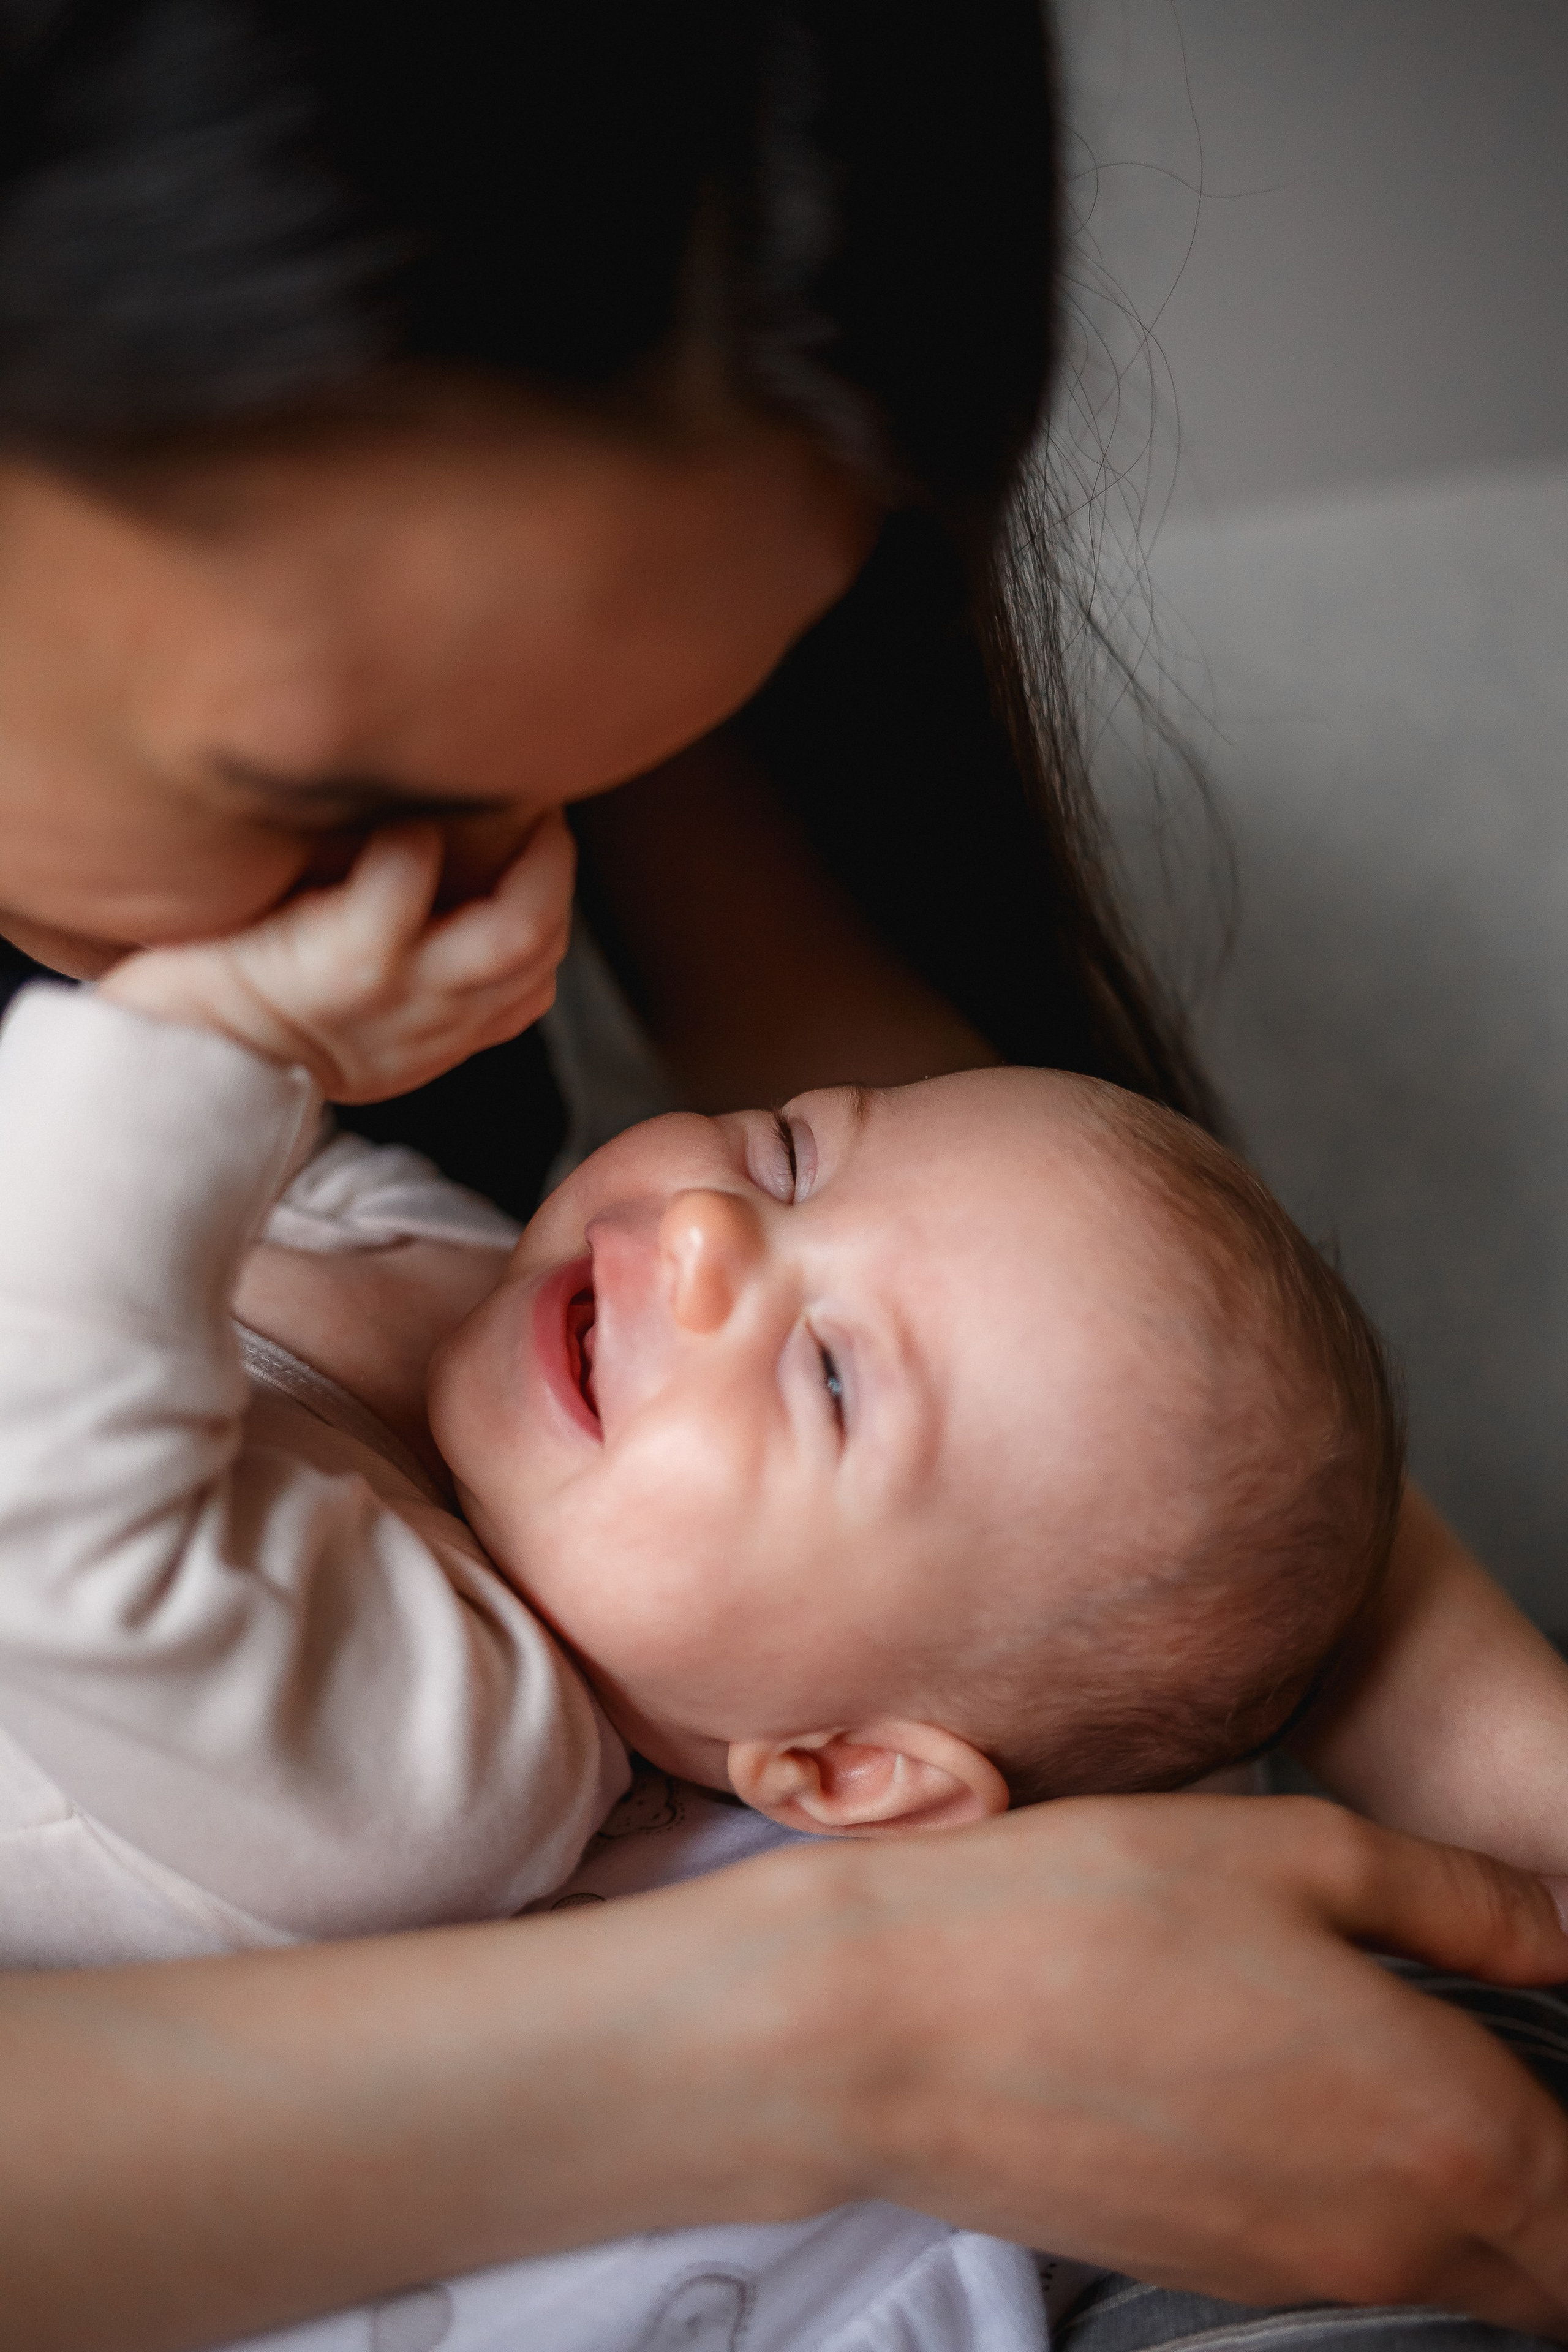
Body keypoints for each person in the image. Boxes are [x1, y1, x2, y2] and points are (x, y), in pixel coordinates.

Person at [1, 5, 1567, 2349]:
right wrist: (841, 2032)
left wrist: (1489, 1765)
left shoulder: (468, 1666)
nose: (477, 902)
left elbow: (1029, 1276)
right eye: (330, 807)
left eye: (602, 771)